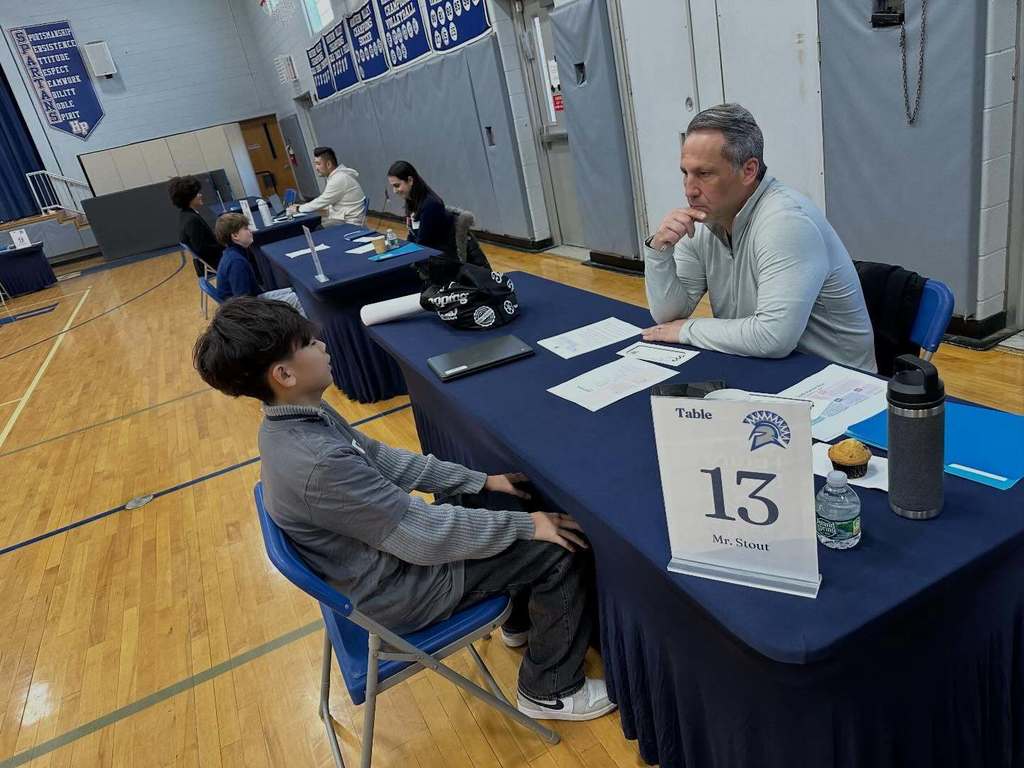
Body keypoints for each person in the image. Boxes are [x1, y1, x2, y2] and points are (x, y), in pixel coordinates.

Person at [192, 298, 615, 722]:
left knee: (476, 499)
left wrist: (479, 481)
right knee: (556, 548)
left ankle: (518, 624)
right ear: (284, 374)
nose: (323, 345)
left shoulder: (298, 415)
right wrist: (527, 525)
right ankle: (550, 688)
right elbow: (424, 538)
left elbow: (382, 459)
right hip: (399, 593)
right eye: (308, 342)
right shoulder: (316, 462)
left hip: (375, 566)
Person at [643, 104, 876, 372]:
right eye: (685, 173)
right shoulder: (707, 219)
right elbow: (668, 317)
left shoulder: (786, 222)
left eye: (704, 174)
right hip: (762, 366)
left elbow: (772, 337)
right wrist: (659, 249)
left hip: (836, 383)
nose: (689, 190)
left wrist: (687, 329)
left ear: (749, 170)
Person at [386, 160, 491, 284]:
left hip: (444, 261)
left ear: (410, 180)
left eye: (397, 185)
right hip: (432, 257)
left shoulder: (431, 205)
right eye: (393, 186)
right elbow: (413, 235)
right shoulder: (412, 202)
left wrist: (404, 255)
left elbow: (423, 244)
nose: (394, 191)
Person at [212, 213, 306, 315]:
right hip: (245, 309)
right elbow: (243, 302)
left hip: (252, 300)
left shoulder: (233, 255)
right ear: (235, 236)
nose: (250, 231)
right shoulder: (236, 262)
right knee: (299, 300)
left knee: (296, 291)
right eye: (246, 229)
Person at [288, 146, 366, 226]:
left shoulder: (338, 179)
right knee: (316, 223)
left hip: (349, 223)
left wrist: (298, 209)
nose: (316, 168)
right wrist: (302, 207)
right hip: (343, 218)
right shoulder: (338, 176)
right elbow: (325, 204)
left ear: (328, 164)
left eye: (318, 164)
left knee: (315, 228)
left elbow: (321, 202)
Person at [170, 176, 221, 277]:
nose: (200, 195)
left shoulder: (185, 215)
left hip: (207, 262)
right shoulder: (192, 220)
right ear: (189, 198)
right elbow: (202, 249)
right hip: (213, 263)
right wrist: (225, 245)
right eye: (197, 193)